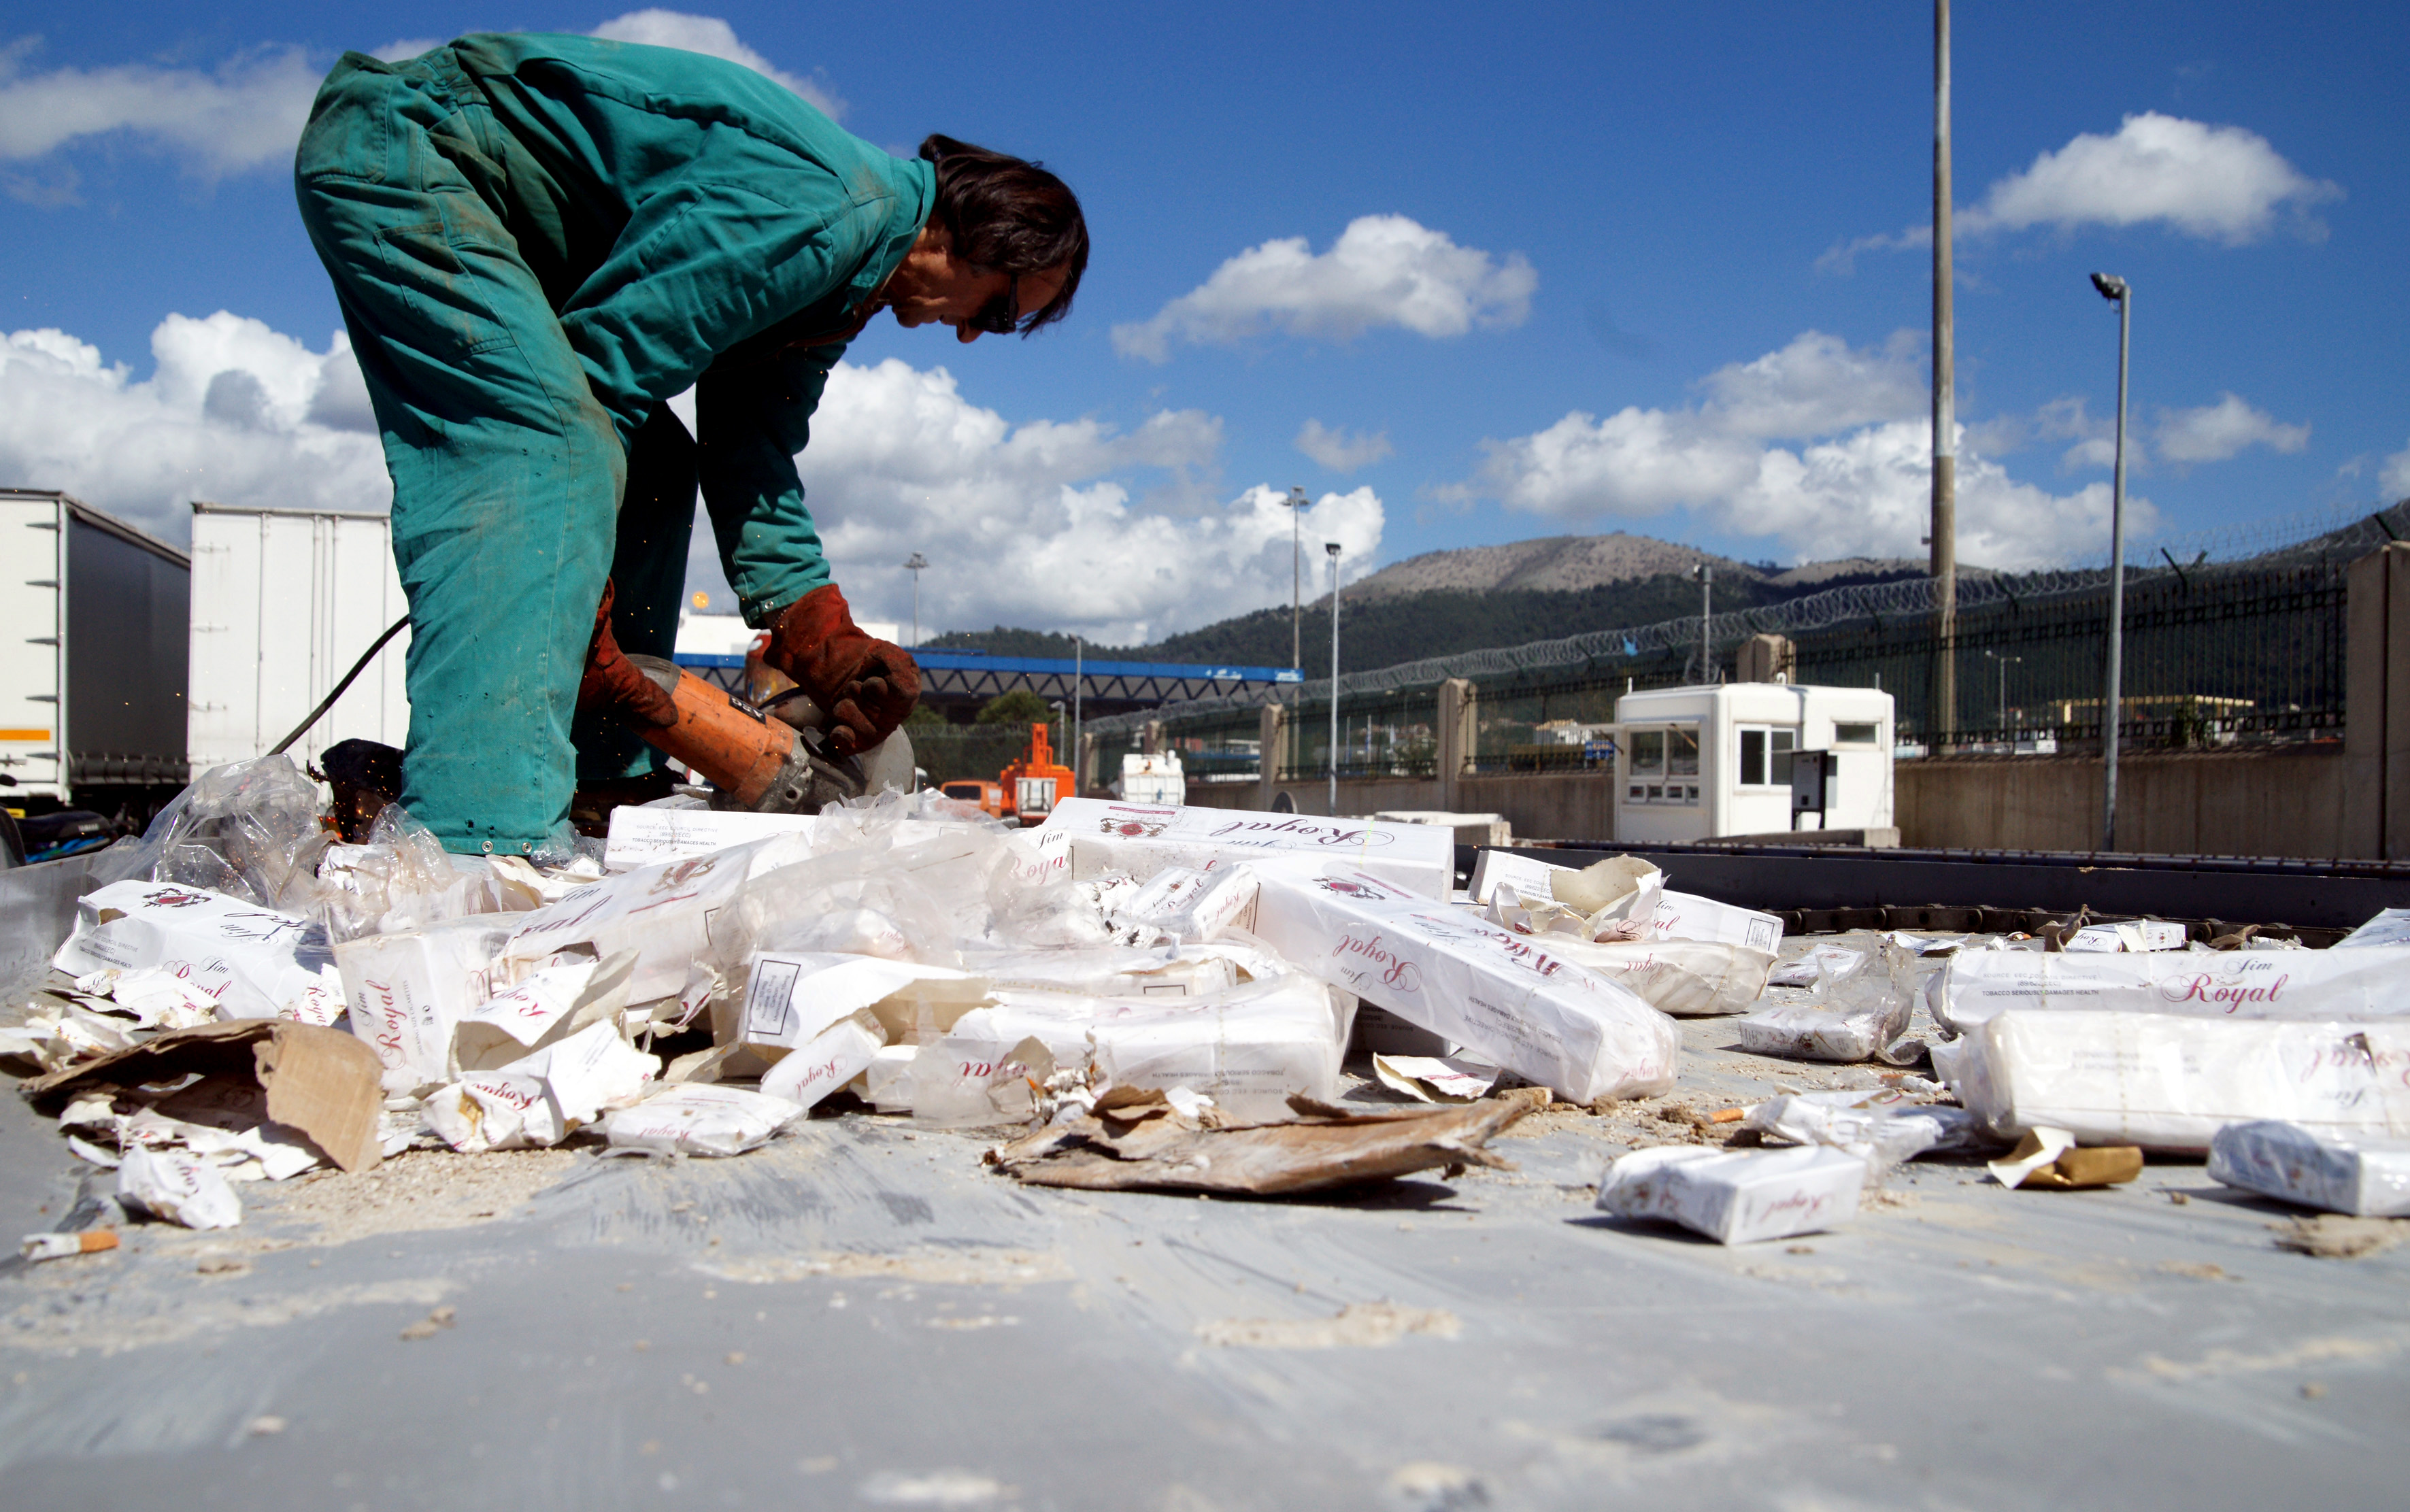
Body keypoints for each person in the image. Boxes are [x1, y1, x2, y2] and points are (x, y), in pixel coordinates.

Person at [293, 32, 1086, 853]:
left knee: (657, 470)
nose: (970, 338)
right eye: (996, 312)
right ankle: (479, 841)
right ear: (973, 237)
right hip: (413, 153)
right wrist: (577, 613)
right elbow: (607, 370)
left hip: (480, 198)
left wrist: (819, 634)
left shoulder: (848, 280)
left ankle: (593, 782)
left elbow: (753, 455)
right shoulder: (822, 213)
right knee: (547, 440)